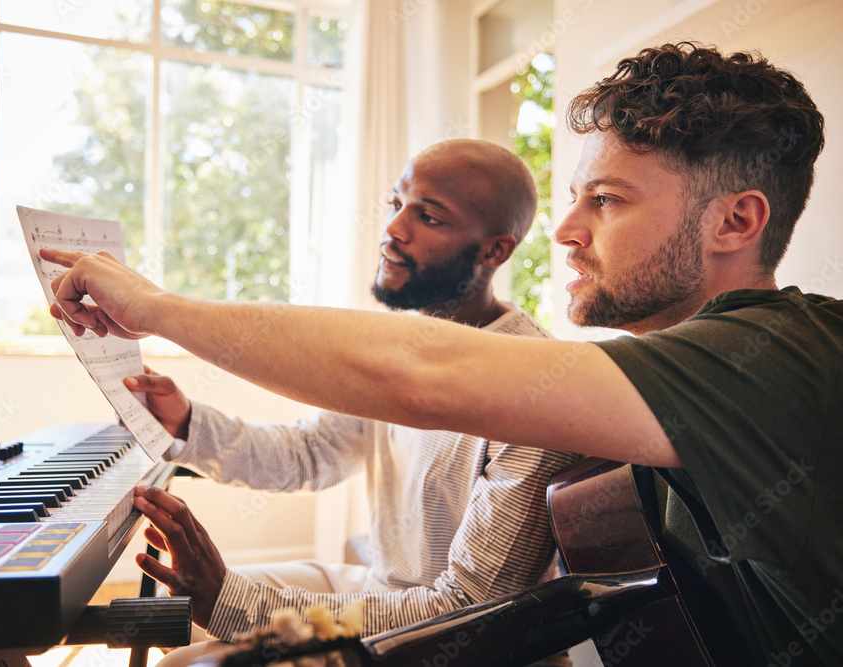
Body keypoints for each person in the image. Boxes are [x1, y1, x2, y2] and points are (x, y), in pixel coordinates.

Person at [42, 42, 842, 666]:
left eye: (607, 200)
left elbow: (423, 379)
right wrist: (194, 428)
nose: (566, 232)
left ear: (735, 222)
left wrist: (155, 307)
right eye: (576, 198)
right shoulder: (652, 392)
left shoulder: (779, 353)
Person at [125, 139, 580, 665]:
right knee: (178, 617)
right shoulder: (395, 349)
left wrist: (229, 599)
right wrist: (186, 423)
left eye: (428, 217)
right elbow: (310, 453)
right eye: (396, 205)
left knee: (186, 662)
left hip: (454, 643)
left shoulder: (533, 387)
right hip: (385, 589)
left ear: (495, 251)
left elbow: (469, 607)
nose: (393, 229)